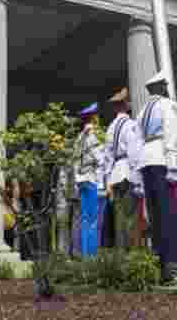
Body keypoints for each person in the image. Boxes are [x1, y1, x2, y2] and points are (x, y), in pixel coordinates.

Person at [135, 70, 177, 282]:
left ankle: (161, 262)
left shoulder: (142, 111)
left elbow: (136, 142)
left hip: (146, 160)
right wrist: (172, 165)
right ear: (162, 87)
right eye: (165, 85)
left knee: (155, 215)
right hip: (162, 160)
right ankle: (172, 265)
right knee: (169, 213)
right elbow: (171, 134)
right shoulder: (168, 105)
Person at [102, 88, 141, 251]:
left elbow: (107, 157)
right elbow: (133, 152)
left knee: (119, 218)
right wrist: (138, 176)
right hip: (127, 172)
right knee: (131, 216)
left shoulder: (110, 128)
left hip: (115, 174)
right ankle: (133, 255)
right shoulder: (131, 125)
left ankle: (121, 255)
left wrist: (107, 179)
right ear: (126, 105)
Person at [73, 103, 103, 258]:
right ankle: (91, 256)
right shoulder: (92, 136)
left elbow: (75, 159)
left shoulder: (79, 138)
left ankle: (85, 254)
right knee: (92, 219)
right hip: (91, 178)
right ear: (93, 118)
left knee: (84, 219)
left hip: (80, 179)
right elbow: (100, 159)